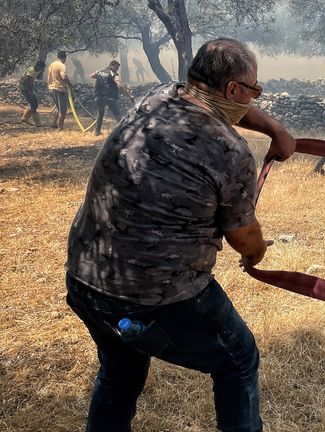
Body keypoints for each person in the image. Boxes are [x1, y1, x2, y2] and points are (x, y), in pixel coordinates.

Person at [65, 38, 296, 432]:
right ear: (234, 90)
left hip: (87, 281)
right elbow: (244, 237)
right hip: (160, 298)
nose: (253, 99)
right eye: (253, 91)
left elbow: (219, 107)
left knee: (120, 374)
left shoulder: (155, 98)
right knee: (238, 359)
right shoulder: (230, 151)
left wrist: (273, 127)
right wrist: (255, 255)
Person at [90, 60, 126, 136]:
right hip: (109, 98)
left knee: (100, 114)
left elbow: (92, 76)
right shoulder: (113, 74)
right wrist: (126, 94)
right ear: (111, 66)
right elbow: (119, 85)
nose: (117, 69)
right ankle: (123, 132)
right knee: (118, 115)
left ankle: (97, 132)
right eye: (116, 67)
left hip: (99, 97)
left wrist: (100, 75)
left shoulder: (100, 71)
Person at [47, 50, 71, 129]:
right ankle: (60, 128)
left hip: (51, 88)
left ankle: (53, 124)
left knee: (58, 108)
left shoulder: (51, 65)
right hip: (59, 89)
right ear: (64, 58)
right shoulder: (62, 65)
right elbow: (63, 77)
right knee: (63, 110)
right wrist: (69, 84)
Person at [19, 60, 46, 126]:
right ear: (38, 66)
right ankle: (37, 123)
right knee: (33, 105)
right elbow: (29, 81)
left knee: (35, 104)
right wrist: (30, 91)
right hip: (25, 88)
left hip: (28, 88)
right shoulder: (31, 70)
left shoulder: (37, 70)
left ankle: (25, 118)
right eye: (41, 68)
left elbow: (38, 77)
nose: (42, 69)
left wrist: (41, 72)